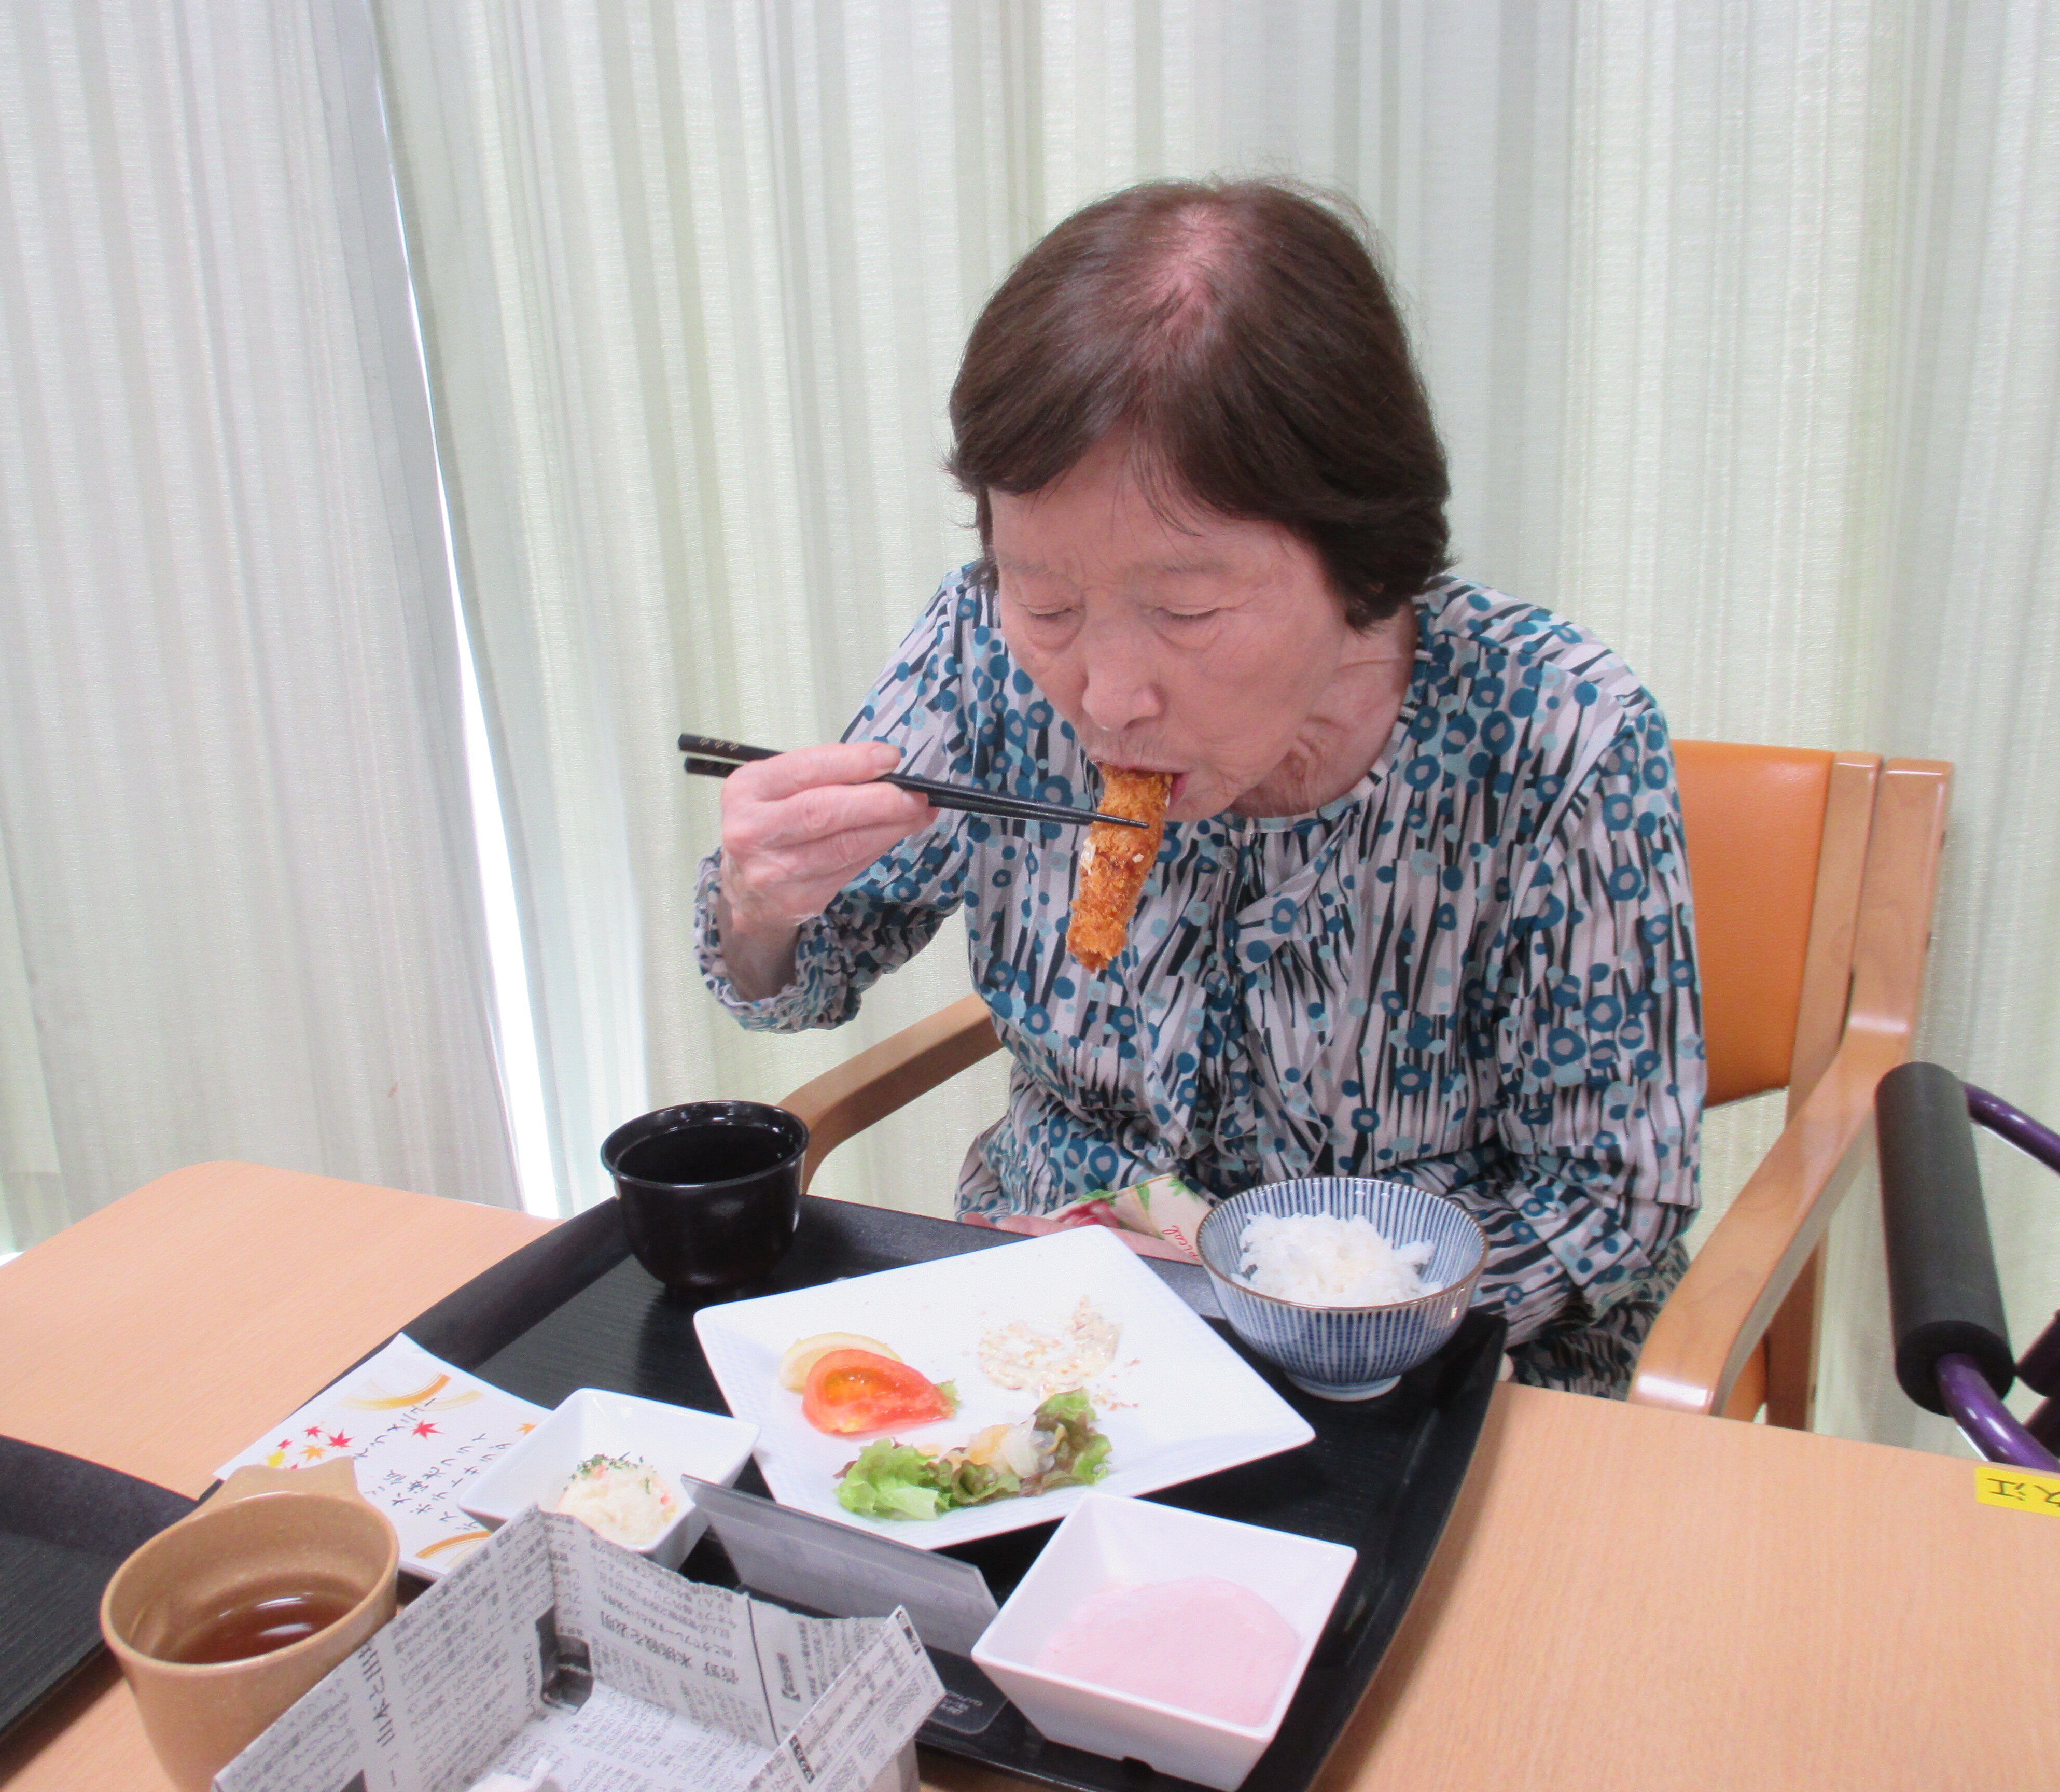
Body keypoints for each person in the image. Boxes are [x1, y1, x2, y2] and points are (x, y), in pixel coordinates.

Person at [694, 178, 1703, 1396]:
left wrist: (1239, 1311)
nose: (1109, 695)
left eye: (1184, 609)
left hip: (1414, 1369)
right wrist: (763, 902)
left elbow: (1609, 1200)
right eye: (1047, 602)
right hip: (1053, 1321)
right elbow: (801, 974)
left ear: (1363, 559)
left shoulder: (1555, 733)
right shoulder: (979, 655)